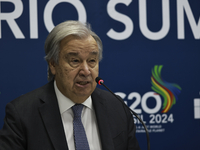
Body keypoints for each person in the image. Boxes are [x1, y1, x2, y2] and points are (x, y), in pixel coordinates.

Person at [0, 20, 140, 150]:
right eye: (75, 61)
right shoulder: (22, 114)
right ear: (53, 64)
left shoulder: (117, 108)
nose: (86, 71)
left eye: (92, 60)